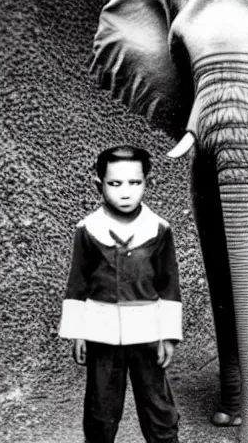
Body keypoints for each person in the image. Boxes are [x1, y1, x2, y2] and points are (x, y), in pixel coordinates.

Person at [58, 145, 182, 443]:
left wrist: (167, 336)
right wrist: (78, 333)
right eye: (115, 184)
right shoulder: (88, 230)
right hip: (102, 335)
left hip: (147, 334)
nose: (125, 192)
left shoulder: (159, 230)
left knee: (158, 407)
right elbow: (77, 283)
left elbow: (168, 284)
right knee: (101, 409)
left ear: (147, 184)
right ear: (99, 185)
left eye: (134, 183)